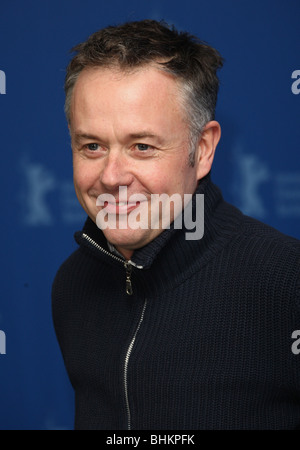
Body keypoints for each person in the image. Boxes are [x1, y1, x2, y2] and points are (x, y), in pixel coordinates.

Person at [52, 19, 300, 430]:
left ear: (202, 150)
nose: (112, 176)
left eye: (142, 147)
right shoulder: (72, 284)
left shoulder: (286, 282)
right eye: (92, 146)